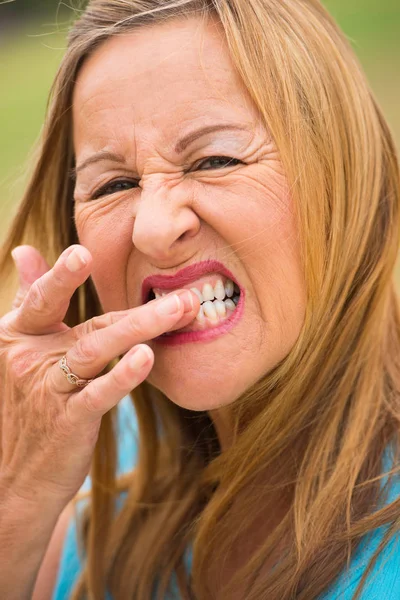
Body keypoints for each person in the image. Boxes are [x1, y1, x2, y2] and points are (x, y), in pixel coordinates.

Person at [0, 0, 399, 598]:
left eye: (216, 159)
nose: (154, 229)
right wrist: (17, 500)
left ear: (346, 177)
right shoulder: (80, 481)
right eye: (114, 184)